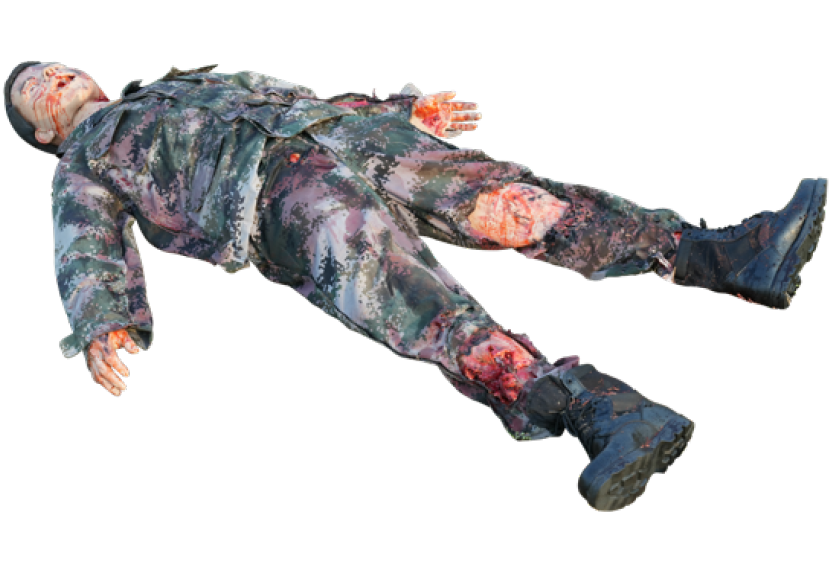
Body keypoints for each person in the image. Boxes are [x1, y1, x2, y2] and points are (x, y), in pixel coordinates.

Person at [5, 61, 826, 511]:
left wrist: (396, 108)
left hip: (357, 136)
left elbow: (295, 96)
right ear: (43, 132)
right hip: (282, 203)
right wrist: (102, 319)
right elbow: (85, 246)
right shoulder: (84, 163)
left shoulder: (183, 78)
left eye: (54, 69)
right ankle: (601, 412)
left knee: (517, 204)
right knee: (426, 310)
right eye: (36, 91)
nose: (54, 79)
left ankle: (727, 254)